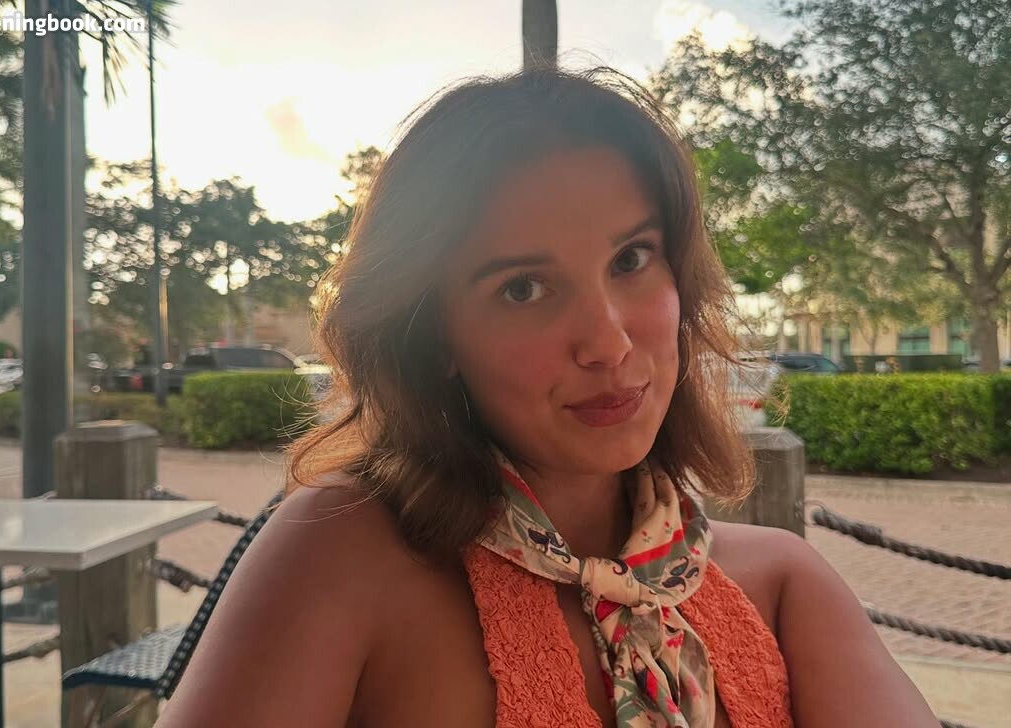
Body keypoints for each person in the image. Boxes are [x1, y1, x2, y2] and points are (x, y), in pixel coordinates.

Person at [156, 68, 939, 727]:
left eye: (631, 259)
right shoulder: (336, 560)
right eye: (524, 288)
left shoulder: (783, 587)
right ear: (435, 335)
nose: (607, 342)